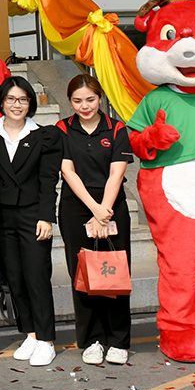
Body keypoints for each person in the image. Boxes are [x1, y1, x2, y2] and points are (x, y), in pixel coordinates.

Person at [56, 75, 134, 366]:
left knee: (114, 274)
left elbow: (116, 173)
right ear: (70, 102)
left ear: (100, 98)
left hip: (112, 206)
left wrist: (104, 210)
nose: (84, 106)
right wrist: (94, 209)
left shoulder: (116, 129)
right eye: (77, 101)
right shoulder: (62, 129)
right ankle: (91, 340)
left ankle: (118, 340)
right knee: (83, 276)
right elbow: (68, 172)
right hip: (76, 208)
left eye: (90, 99)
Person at [0, 75, 61, 368]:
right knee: (15, 277)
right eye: (11, 99)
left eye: (22, 99)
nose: (16, 105)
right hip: (1, 217)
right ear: (2, 103)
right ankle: (30, 333)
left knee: (36, 276)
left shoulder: (44, 136)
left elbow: (48, 180)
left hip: (33, 215)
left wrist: (46, 216)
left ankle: (46, 339)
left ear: (30, 103)